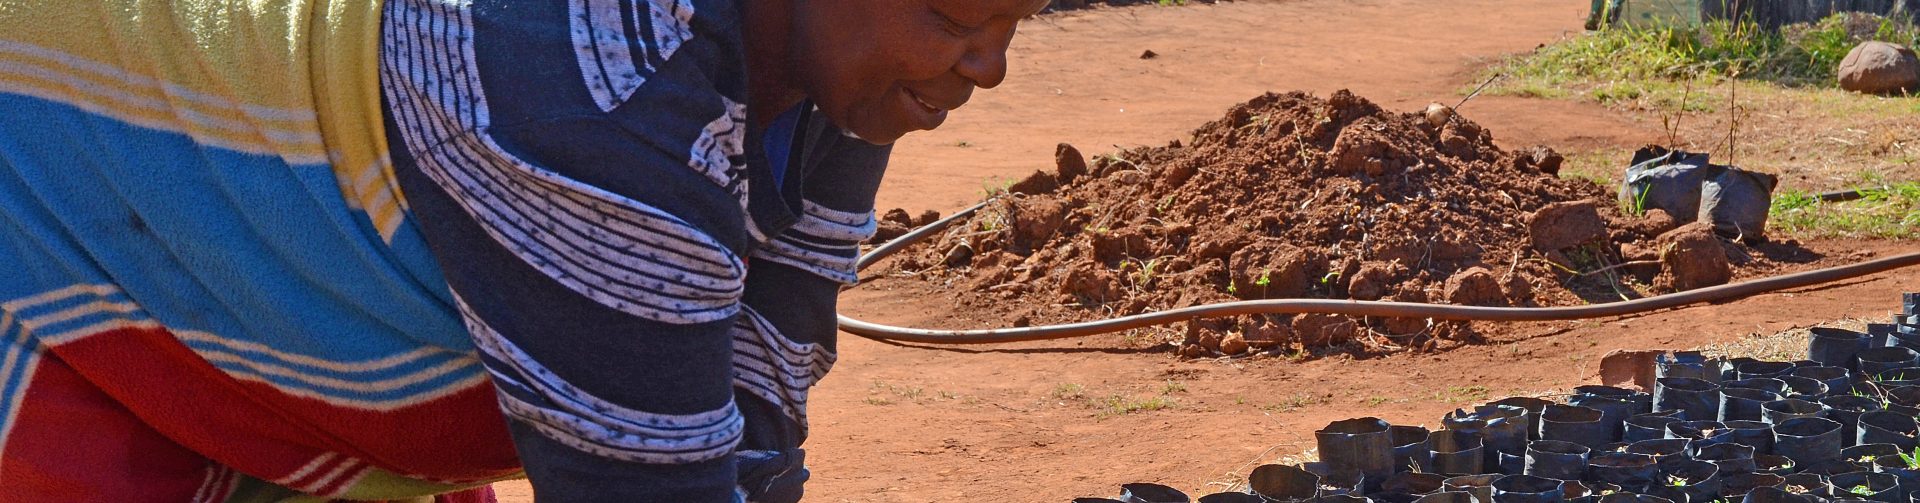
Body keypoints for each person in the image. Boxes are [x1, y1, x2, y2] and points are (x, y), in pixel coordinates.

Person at [0, 0, 1049, 501]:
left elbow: (759, 400)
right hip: (66, 217)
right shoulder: (590, 96)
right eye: (958, 14)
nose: (992, 67)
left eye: (1018, 17)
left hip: (291, 265)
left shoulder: (842, 82)